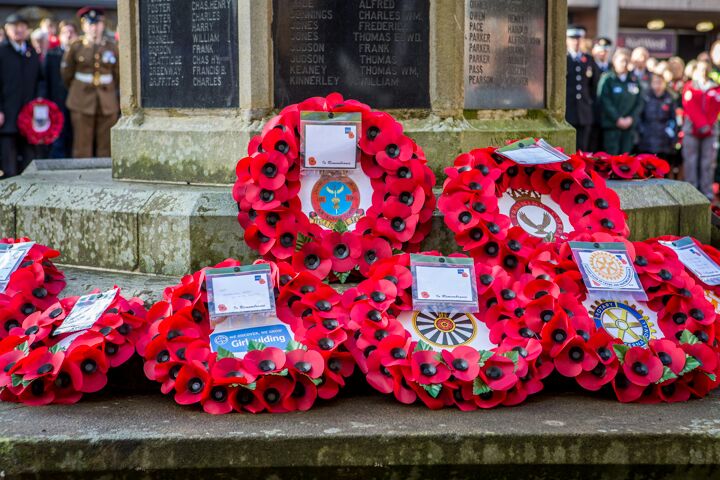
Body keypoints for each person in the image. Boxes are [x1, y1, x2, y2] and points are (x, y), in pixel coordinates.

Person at [61, 7, 119, 158]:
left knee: (106, 146)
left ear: (103, 25)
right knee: (82, 145)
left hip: (107, 101)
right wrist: (77, 89)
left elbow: (118, 74)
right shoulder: (76, 46)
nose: (94, 27)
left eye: (98, 23)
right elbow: (67, 74)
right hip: (81, 100)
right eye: (90, 24)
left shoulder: (112, 46)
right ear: (83, 25)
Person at [0, 13, 44, 178]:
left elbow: (41, 80)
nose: (18, 30)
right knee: (9, 167)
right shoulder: (2, 52)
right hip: (7, 118)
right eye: (14, 26)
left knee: (29, 166)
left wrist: (40, 101)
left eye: (22, 26)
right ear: (7, 29)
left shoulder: (32, 52)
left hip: (29, 118)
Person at [681, 60, 720, 201]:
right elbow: (690, 106)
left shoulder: (716, 88)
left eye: (706, 68)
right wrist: (702, 124)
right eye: (701, 68)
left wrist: (707, 125)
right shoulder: (689, 87)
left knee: (708, 162)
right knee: (691, 161)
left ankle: (707, 193)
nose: (703, 71)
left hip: (710, 132)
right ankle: (691, 192)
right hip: (691, 130)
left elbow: (716, 108)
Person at [598, 48, 644, 155]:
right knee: (611, 159)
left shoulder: (634, 80)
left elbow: (639, 102)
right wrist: (617, 119)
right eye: (622, 60)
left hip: (629, 127)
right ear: (614, 61)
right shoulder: (607, 79)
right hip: (611, 127)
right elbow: (604, 100)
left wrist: (631, 118)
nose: (624, 64)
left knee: (626, 160)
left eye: (627, 61)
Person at [46, 21, 78, 158]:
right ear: (59, 36)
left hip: (77, 103)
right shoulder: (51, 55)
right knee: (58, 139)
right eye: (65, 32)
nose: (69, 35)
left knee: (75, 136)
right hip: (56, 103)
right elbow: (45, 79)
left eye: (72, 32)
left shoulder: (81, 56)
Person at [565, 25, 599, 152]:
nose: (576, 42)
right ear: (567, 40)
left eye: (579, 38)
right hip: (567, 111)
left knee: (583, 148)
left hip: (584, 112)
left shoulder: (589, 60)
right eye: (572, 38)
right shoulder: (563, 59)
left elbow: (594, 86)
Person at [638, 73, 677, 157]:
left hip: (664, 141)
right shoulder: (645, 97)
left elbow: (674, 119)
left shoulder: (670, 98)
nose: (657, 85)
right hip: (647, 139)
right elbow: (639, 117)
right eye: (655, 82)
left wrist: (670, 134)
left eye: (660, 82)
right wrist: (642, 131)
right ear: (651, 83)